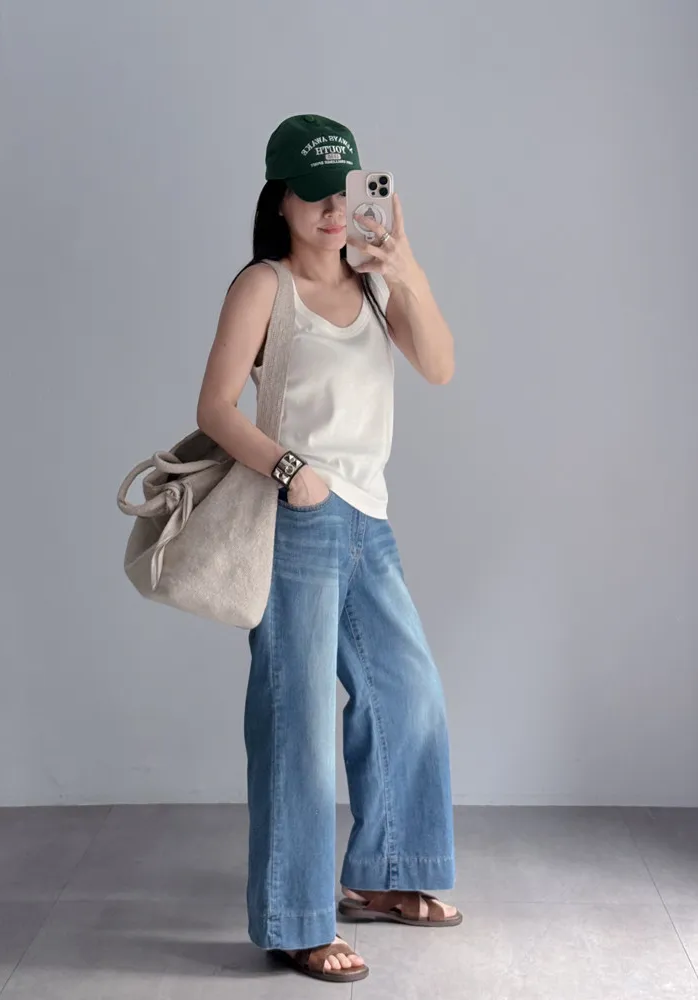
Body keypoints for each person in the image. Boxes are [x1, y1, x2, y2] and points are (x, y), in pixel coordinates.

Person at [196, 114, 461, 984]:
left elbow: (439, 367)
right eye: (312, 196)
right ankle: (296, 920)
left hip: (368, 522)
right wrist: (290, 470)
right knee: (297, 725)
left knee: (408, 694)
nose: (332, 210)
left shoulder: (375, 282)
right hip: (297, 519)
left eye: (341, 192)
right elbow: (216, 408)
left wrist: (407, 272)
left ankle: (383, 876)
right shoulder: (263, 286)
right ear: (280, 201)